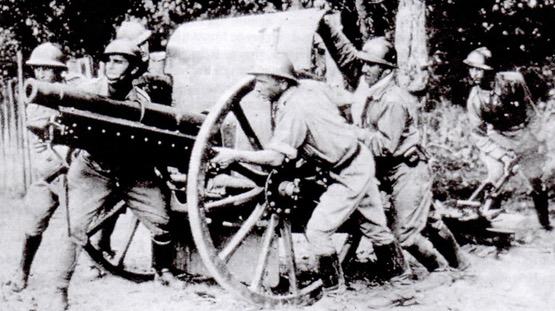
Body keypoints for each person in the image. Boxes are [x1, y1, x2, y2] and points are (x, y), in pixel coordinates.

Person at [211, 52, 407, 295]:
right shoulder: (309, 87)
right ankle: (404, 288)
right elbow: (346, 100)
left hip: (347, 172)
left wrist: (235, 155)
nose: (256, 87)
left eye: (263, 82)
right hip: (357, 159)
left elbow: (275, 158)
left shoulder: (295, 110)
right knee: (375, 228)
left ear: (282, 83)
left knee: (317, 231)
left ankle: (336, 296)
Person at [318, 16, 467, 271]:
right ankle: (461, 265)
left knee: (405, 235)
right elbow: (348, 57)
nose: (364, 69)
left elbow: (385, 146)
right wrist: (325, 26)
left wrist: (352, 132)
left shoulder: (393, 100)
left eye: (371, 66)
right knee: (430, 220)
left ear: (386, 70)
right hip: (389, 170)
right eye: (365, 64)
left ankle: (441, 271)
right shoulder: (371, 81)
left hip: (407, 170)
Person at [49, 39, 183, 310]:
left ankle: (162, 269)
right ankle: (59, 289)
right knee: (75, 229)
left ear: (134, 69)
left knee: (163, 221)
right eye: (109, 60)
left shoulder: (142, 101)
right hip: (94, 169)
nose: (111, 65)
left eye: (119, 61)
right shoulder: (86, 92)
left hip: (134, 170)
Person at [4, 42, 70, 292]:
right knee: (34, 223)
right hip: (49, 171)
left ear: (59, 71)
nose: (42, 74)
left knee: (82, 221)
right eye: (38, 69)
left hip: (72, 170)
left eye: (48, 69)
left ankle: (96, 260)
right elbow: (44, 141)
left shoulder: (71, 95)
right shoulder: (36, 103)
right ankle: (22, 271)